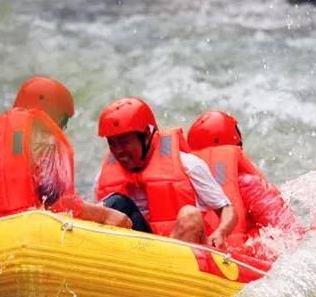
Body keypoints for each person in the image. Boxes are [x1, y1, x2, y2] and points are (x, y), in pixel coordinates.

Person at [0, 77, 130, 228]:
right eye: (61, 123)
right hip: (27, 236)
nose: (55, 134)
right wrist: (105, 215)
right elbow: (63, 206)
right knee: (120, 206)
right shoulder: (47, 148)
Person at [93, 98, 237, 249]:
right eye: (112, 144)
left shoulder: (188, 165)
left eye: (124, 142)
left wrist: (221, 232)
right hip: (138, 249)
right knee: (115, 204)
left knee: (190, 215)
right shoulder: (102, 177)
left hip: (180, 245)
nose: (118, 151)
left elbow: (227, 209)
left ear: (146, 135)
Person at [187, 110, 300, 248]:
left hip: (206, 253)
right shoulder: (250, 183)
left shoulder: (185, 181)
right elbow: (288, 231)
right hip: (241, 258)